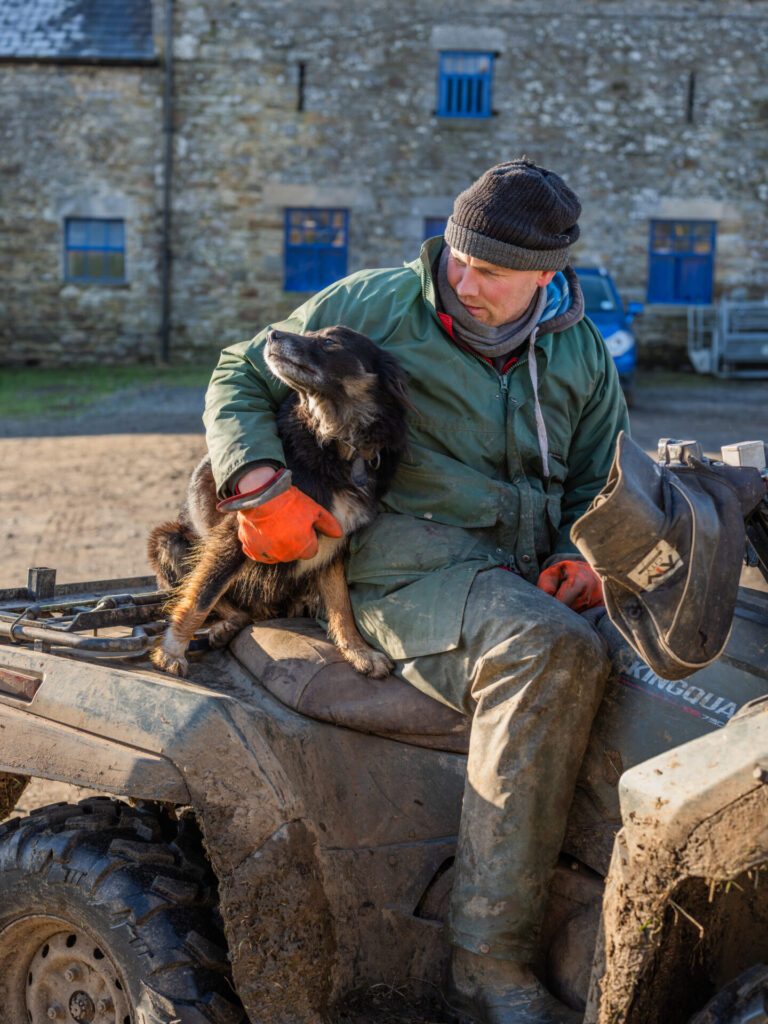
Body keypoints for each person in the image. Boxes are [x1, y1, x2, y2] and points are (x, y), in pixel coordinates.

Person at [203, 159, 629, 1024]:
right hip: (403, 558)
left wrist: (589, 553)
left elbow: (603, 476)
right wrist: (256, 480)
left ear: (547, 277)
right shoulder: (376, 304)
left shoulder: (580, 346)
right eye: (461, 260)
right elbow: (240, 370)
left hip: (520, 566)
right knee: (544, 652)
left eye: (494, 273)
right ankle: (486, 966)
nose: (465, 282)